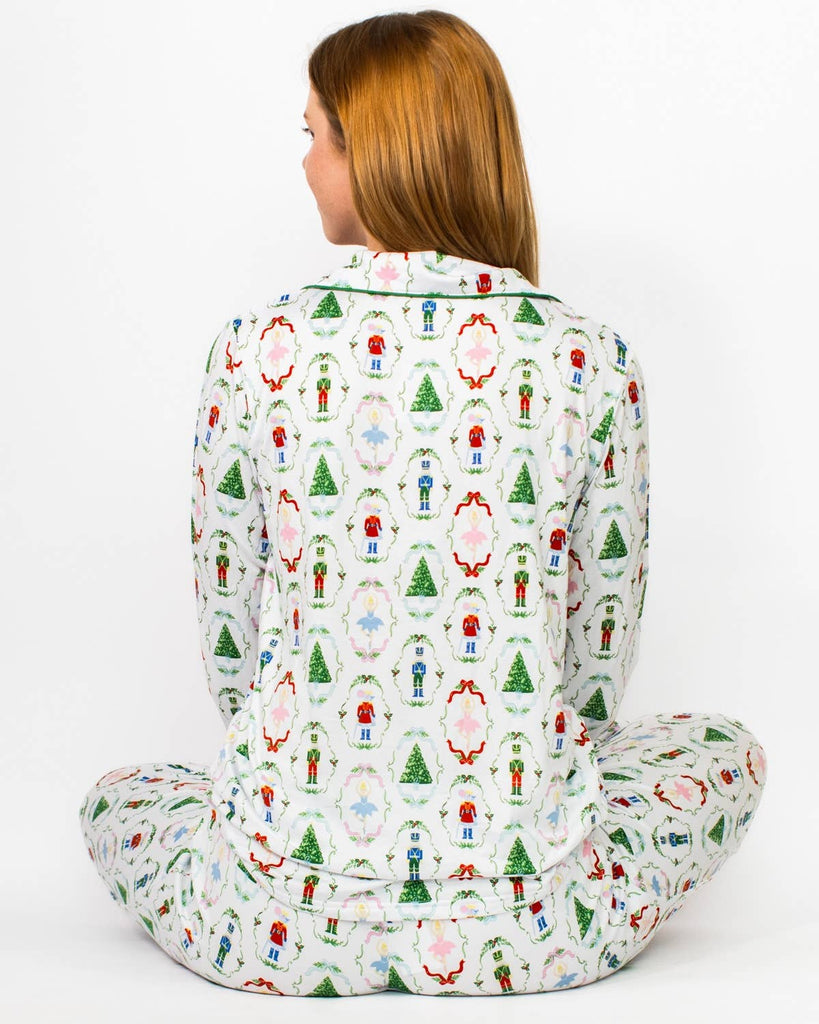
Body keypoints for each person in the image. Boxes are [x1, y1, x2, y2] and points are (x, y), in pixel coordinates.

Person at [78, 9, 767, 997]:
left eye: (314, 135)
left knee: (121, 798)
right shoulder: (591, 359)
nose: (304, 161)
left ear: (374, 151)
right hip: (533, 921)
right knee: (723, 753)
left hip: (274, 916)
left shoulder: (252, 350)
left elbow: (233, 654)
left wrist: (297, 777)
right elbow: (593, 675)